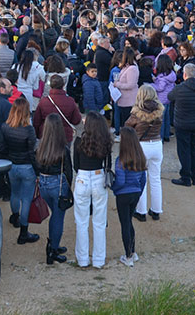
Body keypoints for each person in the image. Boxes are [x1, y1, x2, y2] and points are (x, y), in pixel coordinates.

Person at [0, 96, 40, 244]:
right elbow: (32, 152)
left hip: (12, 165)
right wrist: (37, 169)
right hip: (27, 166)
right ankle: (24, 232)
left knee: (14, 193)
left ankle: (15, 217)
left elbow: (1, 147)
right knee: (26, 199)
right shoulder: (29, 129)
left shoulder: (5, 127)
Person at [72, 111, 111, 269]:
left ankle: (82, 259)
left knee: (81, 221)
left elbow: (76, 165)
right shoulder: (105, 141)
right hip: (98, 177)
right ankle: (99, 259)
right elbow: (107, 164)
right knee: (99, 222)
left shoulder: (79, 141)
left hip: (82, 178)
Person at [34, 116, 72, 264]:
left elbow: (36, 165)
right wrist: (69, 190)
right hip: (58, 183)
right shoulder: (63, 149)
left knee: (55, 215)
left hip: (44, 183)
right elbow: (68, 171)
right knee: (58, 216)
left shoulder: (40, 147)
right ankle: (52, 250)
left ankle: (53, 245)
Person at [126, 84, 164, 220]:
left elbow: (127, 127)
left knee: (140, 179)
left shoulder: (136, 113)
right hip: (157, 144)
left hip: (142, 146)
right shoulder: (160, 111)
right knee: (155, 179)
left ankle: (141, 211)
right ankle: (156, 210)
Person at [112, 127, 147, 267]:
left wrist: (114, 189)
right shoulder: (140, 157)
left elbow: (120, 181)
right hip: (135, 193)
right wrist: (139, 191)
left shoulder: (120, 160)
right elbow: (143, 179)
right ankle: (133, 251)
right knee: (130, 223)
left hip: (123, 195)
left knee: (125, 224)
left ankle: (128, 256)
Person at [168, 63, 195, 186]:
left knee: (184, 150)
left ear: (184, 74)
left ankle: (185, 176)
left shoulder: (180, 88)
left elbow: (170, 97)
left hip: (182, 123)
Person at [33, 74, 82, 144]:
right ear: (63, 85)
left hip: (47, 134)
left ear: (51, 85)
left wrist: (38, 135)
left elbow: (37, 121)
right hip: (65, 136)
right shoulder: (70, 101)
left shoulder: (43, 101)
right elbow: (76, 120)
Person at [111, 50, 140, 132]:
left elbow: (131, 84)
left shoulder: (132, 69)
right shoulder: (127, 67)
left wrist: (117, 84)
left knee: (128, 122)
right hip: (124, 99)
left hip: (128, 100)